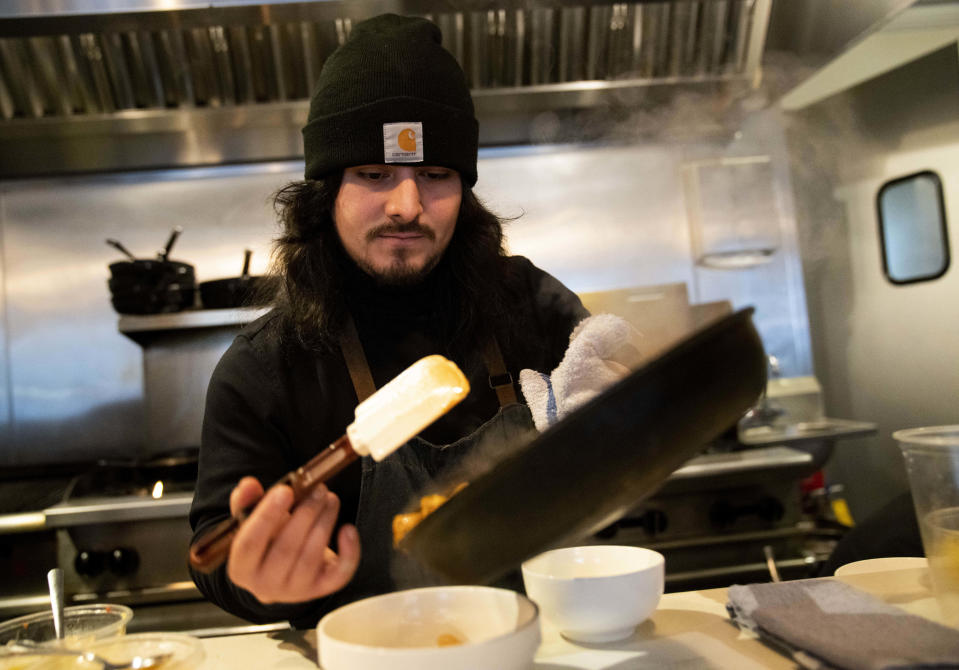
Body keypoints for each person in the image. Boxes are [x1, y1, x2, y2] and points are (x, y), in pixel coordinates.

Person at [188, 13, 589, 629]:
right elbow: (217, 547)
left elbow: (625, 425)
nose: (407, 206)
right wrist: (257, 577)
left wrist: (626, 407)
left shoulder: (527, 303)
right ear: (327, 190)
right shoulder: (265, 367)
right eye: (374, 174)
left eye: (435, 176)